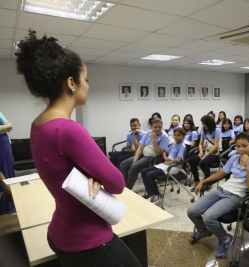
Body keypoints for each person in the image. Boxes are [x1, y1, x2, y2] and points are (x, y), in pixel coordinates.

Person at [15, 30, 141, 266]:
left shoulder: (38, 125)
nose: (88, 86)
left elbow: (62, 171)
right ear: (72, 83)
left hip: (60, 230)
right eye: (86, 79)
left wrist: (90, 174)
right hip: (88, 241)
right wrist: (95, 175)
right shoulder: (68, 129)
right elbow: (117, 183)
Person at [187, 132, 249, 259]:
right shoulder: (234, 158)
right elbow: (222, 174)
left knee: (208, 217)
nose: (241, 149)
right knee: (191, 211)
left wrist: (248, 166)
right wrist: (203, 181)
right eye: (238, 146)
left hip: (236, 196)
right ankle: (204, 231)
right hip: (222, 190)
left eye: (244, 146)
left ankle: (226, 239)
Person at [119, 118, 169, 189]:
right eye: (155, 127)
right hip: (143, 154)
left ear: (162, 126)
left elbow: (158, 153)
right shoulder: (148, 133)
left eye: (159, 127)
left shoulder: (164, 136)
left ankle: (127, 189)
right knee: (123, 164)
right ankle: (121, 185)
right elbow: (140, 148)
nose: (157, 129)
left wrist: (154, 139)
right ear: (151, 127)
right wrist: (134, 161)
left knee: (134, 167)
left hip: (151, 157)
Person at [141, 127, 186, 204]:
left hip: (173, 167)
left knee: (149, 175)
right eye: (175, 135)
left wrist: (169, 162)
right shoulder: (174, 143)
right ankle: (151, 194)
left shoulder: (182, 146)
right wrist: (165, 157)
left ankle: (157, 195)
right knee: (143, 171)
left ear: (183, 136)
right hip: (166, 165)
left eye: (178, 135)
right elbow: (164, 152)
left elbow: (178, 160)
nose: (176, 137)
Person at [189, 115, 221, 192]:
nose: (203, 125)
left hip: (214, 153)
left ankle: (208, 181)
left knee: (203, 162)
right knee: (192, 160)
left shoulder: (217, 130)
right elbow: (200, 143)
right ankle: (197, 181)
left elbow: (216, 146)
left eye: (204, 124)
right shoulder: (204, 129)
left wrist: (205, 156)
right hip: (206, 150)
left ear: (209, 123)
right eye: (202, 124)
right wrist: (200, 152)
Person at [0, 112, 15, 214]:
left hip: (5, 146)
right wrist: (4, 128)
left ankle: (10, 204)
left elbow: (10, 126)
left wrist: (6, 127)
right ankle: (4, 206)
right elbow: (7, 127)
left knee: (7, 172)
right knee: (2, 174)